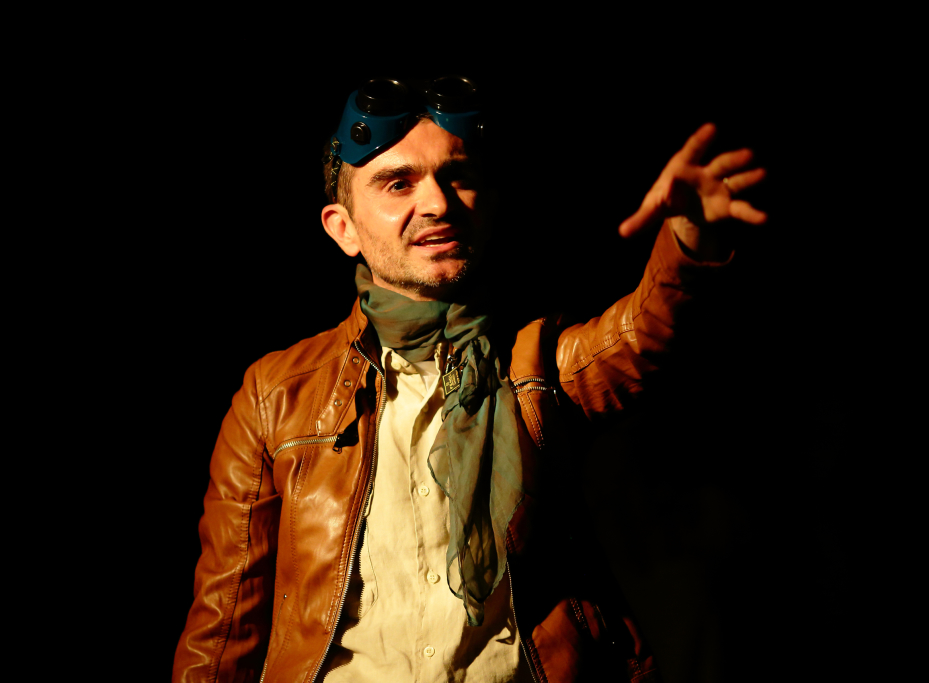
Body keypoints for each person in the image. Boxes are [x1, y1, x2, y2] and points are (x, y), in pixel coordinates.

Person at [172, 76, 766, 683]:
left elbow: (643, 339)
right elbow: (224, 625)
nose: (437, 203)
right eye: (398, 183)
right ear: (342, 228)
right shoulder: (276, 394)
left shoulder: (536, 360)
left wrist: (690, 236)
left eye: (456, 176)